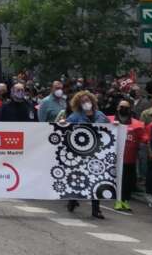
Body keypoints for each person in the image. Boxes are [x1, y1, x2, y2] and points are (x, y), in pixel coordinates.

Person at [64, 91, 109, 219]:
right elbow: (66, 129)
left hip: (97, 152)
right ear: (78, 104)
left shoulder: (100, 115)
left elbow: (109, 128)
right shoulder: (75, 116)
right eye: (83, 101)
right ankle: (72, 200)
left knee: (97, 179)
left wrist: (115, 125)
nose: (86, 103)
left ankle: (96, 209)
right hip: (80, 153)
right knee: (78, 178)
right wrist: (63, 124)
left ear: (93, 101)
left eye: (88, 100)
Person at [113, 98, 145, 212]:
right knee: (117, 181)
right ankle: (117, 201)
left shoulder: (137, 124)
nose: (123, 109)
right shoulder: (110, 121)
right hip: (114, 159)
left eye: (126, 107)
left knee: (128, 181)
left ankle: (125, 201)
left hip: (130, 159)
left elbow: (143, 138)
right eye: (122, 106)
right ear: (117, 108)